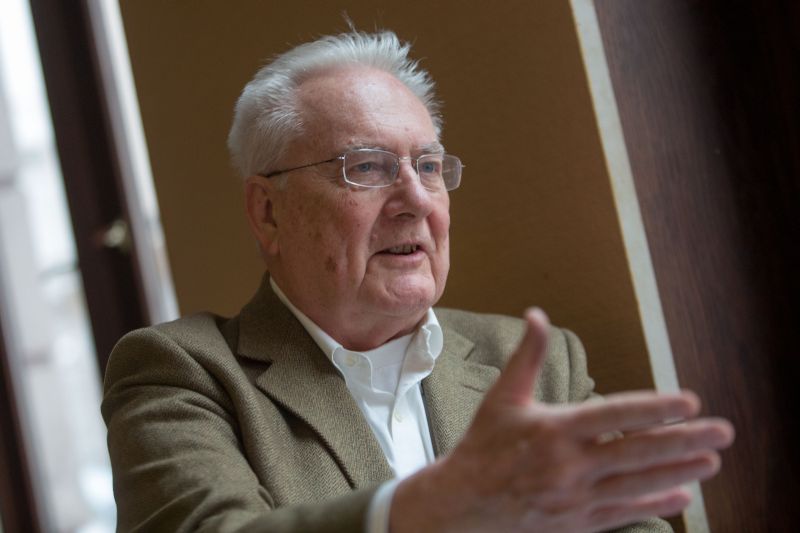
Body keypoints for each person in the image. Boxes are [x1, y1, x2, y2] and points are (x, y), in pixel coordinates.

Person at [102, 29, 734, 532]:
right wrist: (426, 510)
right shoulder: (183, 373)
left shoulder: (534, 365)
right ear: (268, 212)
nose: (416, 200)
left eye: (428, 166)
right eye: (367, 168)